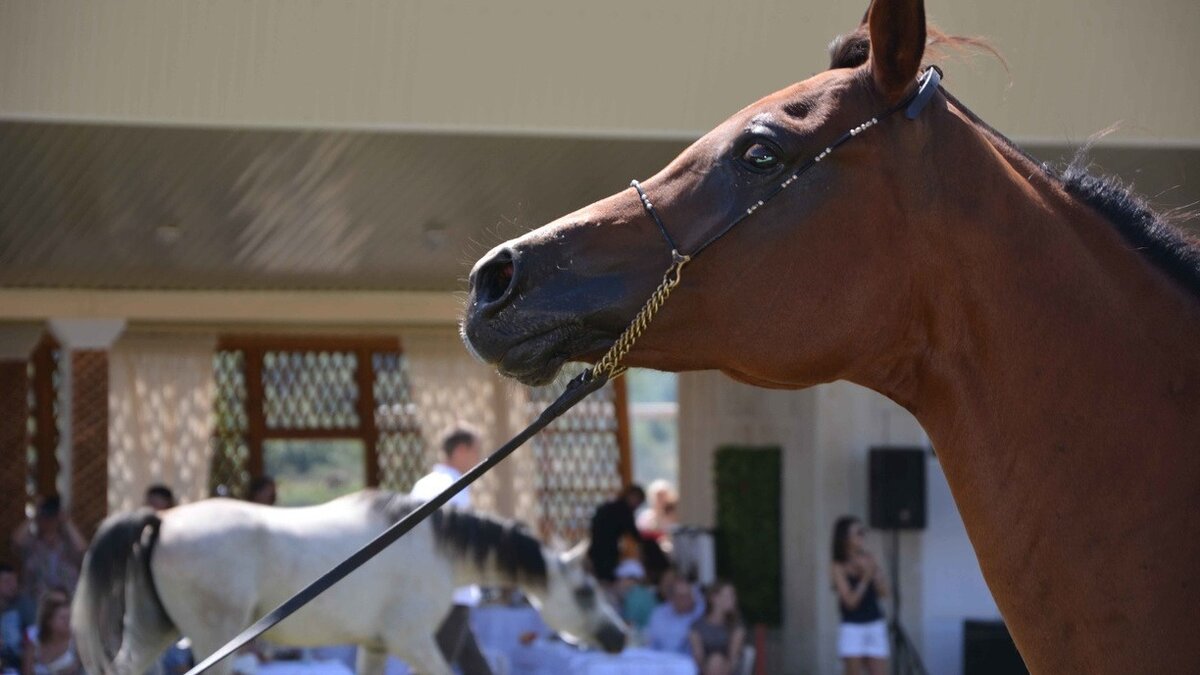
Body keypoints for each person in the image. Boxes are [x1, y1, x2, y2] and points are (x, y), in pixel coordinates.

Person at [410, 424, 491, 675]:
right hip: (449, 589)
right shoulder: (452, 486)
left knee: (473, 663)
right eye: (475, 450)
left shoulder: (425, 484)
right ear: (461, 450)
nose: (479, 458)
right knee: (433, 667)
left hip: (434, 587)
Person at [831, 516, 890, 675]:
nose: (862, 536)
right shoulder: (838, 566)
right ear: (845, 538)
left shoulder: (868, 558)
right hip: (852, 626)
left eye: (862, 532)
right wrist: (865, 577)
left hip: (874, 622)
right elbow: (850, 602)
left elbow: (884, 593)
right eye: (858, 533)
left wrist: (877, 575)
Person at [11, 497, 84, 602]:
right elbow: (16, 541)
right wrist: (34, 516)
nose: (49, 520)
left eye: (53, 517)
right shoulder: (32, 543)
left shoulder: (68, 543)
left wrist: (67, 522)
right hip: (36, 601)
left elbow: (82, 549)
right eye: (45, 517)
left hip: (67, 600)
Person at [587, 484, 645, 583]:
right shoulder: (623, 510)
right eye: (637, 501)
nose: (637, 505)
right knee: (606, 580)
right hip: (606, 552)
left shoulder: (610, 506)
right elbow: (634, 533)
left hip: (597, 550)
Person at [688, 581, 745, 675]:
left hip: (728, 671)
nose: (733, 599)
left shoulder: (736, 625)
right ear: (714, 598)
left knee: (716, 661)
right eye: (728, 596)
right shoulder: (697, 626)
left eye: (733, 596)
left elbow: (733, 658)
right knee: (714, 662)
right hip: (705, 671)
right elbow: (699, 659)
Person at [644, 577, 705, 656]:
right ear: (672, 599)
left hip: (690, 663)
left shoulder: (701, 612)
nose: (687, 600)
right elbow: (651, 642)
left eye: (688, 595)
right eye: (681, 596)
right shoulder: (659, 614)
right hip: (662, 661)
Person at [21, 595, 78, 675]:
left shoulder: (76, 645)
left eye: (70, 617)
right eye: (63, 618)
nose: (68, 622)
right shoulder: (34, 646)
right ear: (49, 621)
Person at [0, 564, 35, 672]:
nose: (13, 585)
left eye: (15, 581)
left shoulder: (25, 605)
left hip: (19, 663)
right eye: (7, 581)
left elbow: (33, 637)